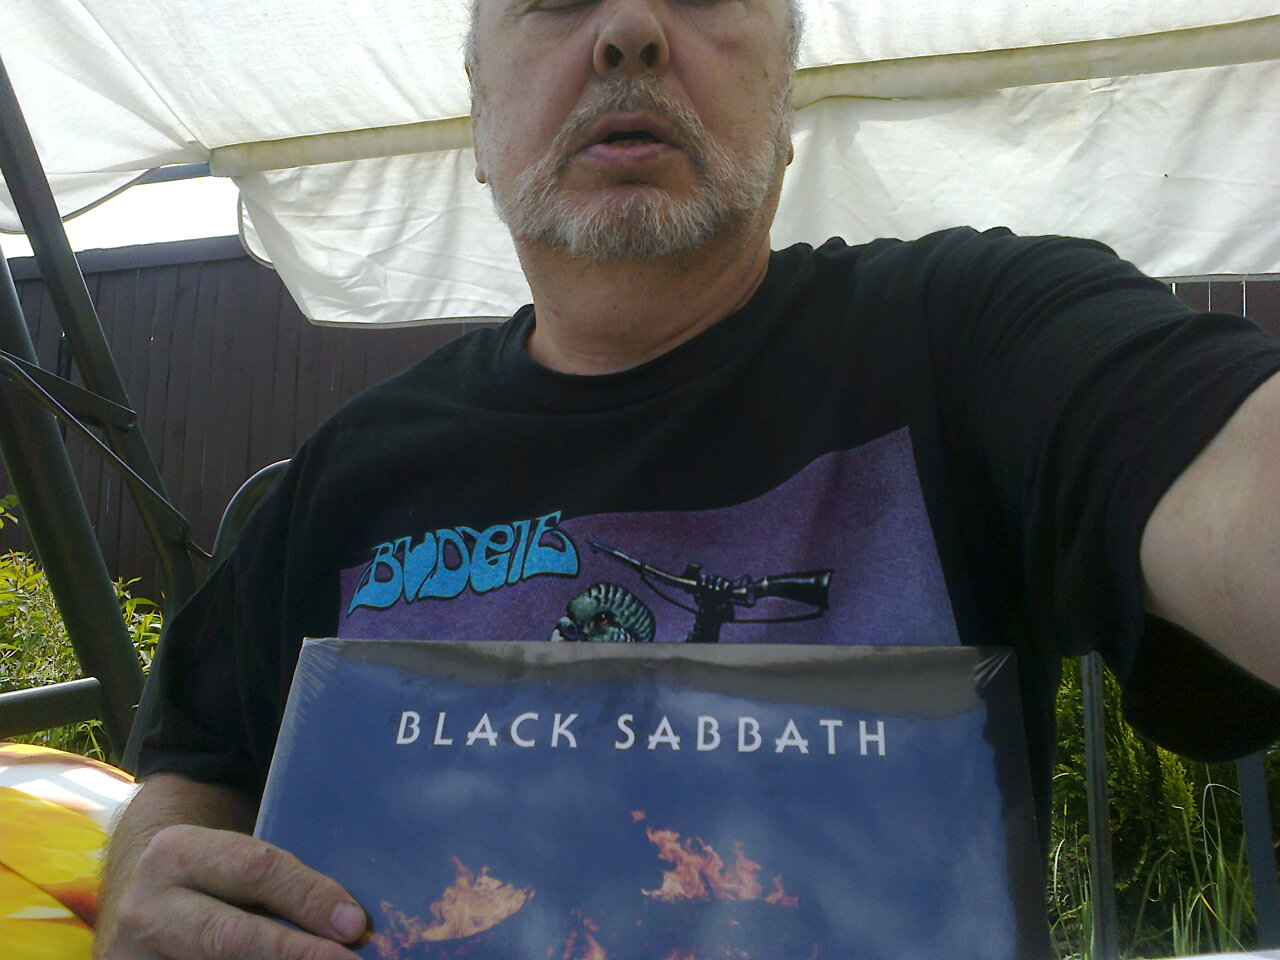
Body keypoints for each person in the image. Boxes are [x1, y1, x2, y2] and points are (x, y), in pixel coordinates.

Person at [94, 1, 1280, 958]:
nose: (628, 30)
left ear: (785, 102)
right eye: (556, 0)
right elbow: (199, 772)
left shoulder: (971, 341)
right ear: (479, 120)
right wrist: (159, 890)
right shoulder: (347, 473)